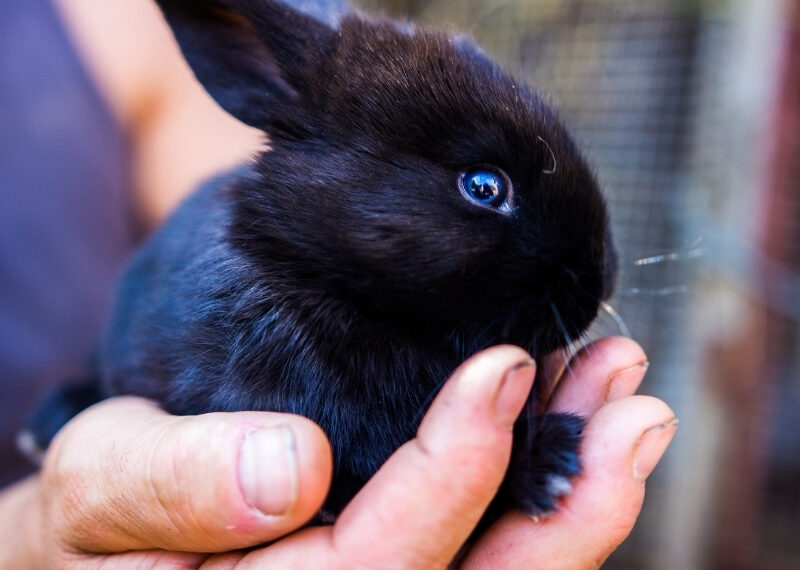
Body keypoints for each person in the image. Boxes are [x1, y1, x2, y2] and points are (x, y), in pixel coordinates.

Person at [0, 1, 676, 567]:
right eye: (484, 187)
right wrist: (28, 538)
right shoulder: (265, 308)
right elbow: (335, 445)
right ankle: (82, 394)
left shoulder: (108, 29)